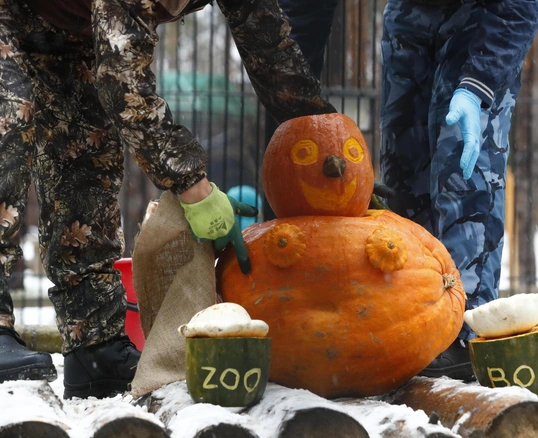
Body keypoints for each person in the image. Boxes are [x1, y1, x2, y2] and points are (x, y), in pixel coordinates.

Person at [0, 0, 335, 398]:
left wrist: (327, 139)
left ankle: (93, 346)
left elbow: (272, 51)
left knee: (86, 150)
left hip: (71, 28)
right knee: (9, 117)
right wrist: (192, 183)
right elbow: (124, 82)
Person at [281, 0, 538, 380]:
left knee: (463, 167)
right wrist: (292, 97)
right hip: (409, 16)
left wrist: (479, 83)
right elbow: (306, 11)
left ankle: (466, 334)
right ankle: (411, 322)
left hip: (484, 15)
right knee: (404, 175)